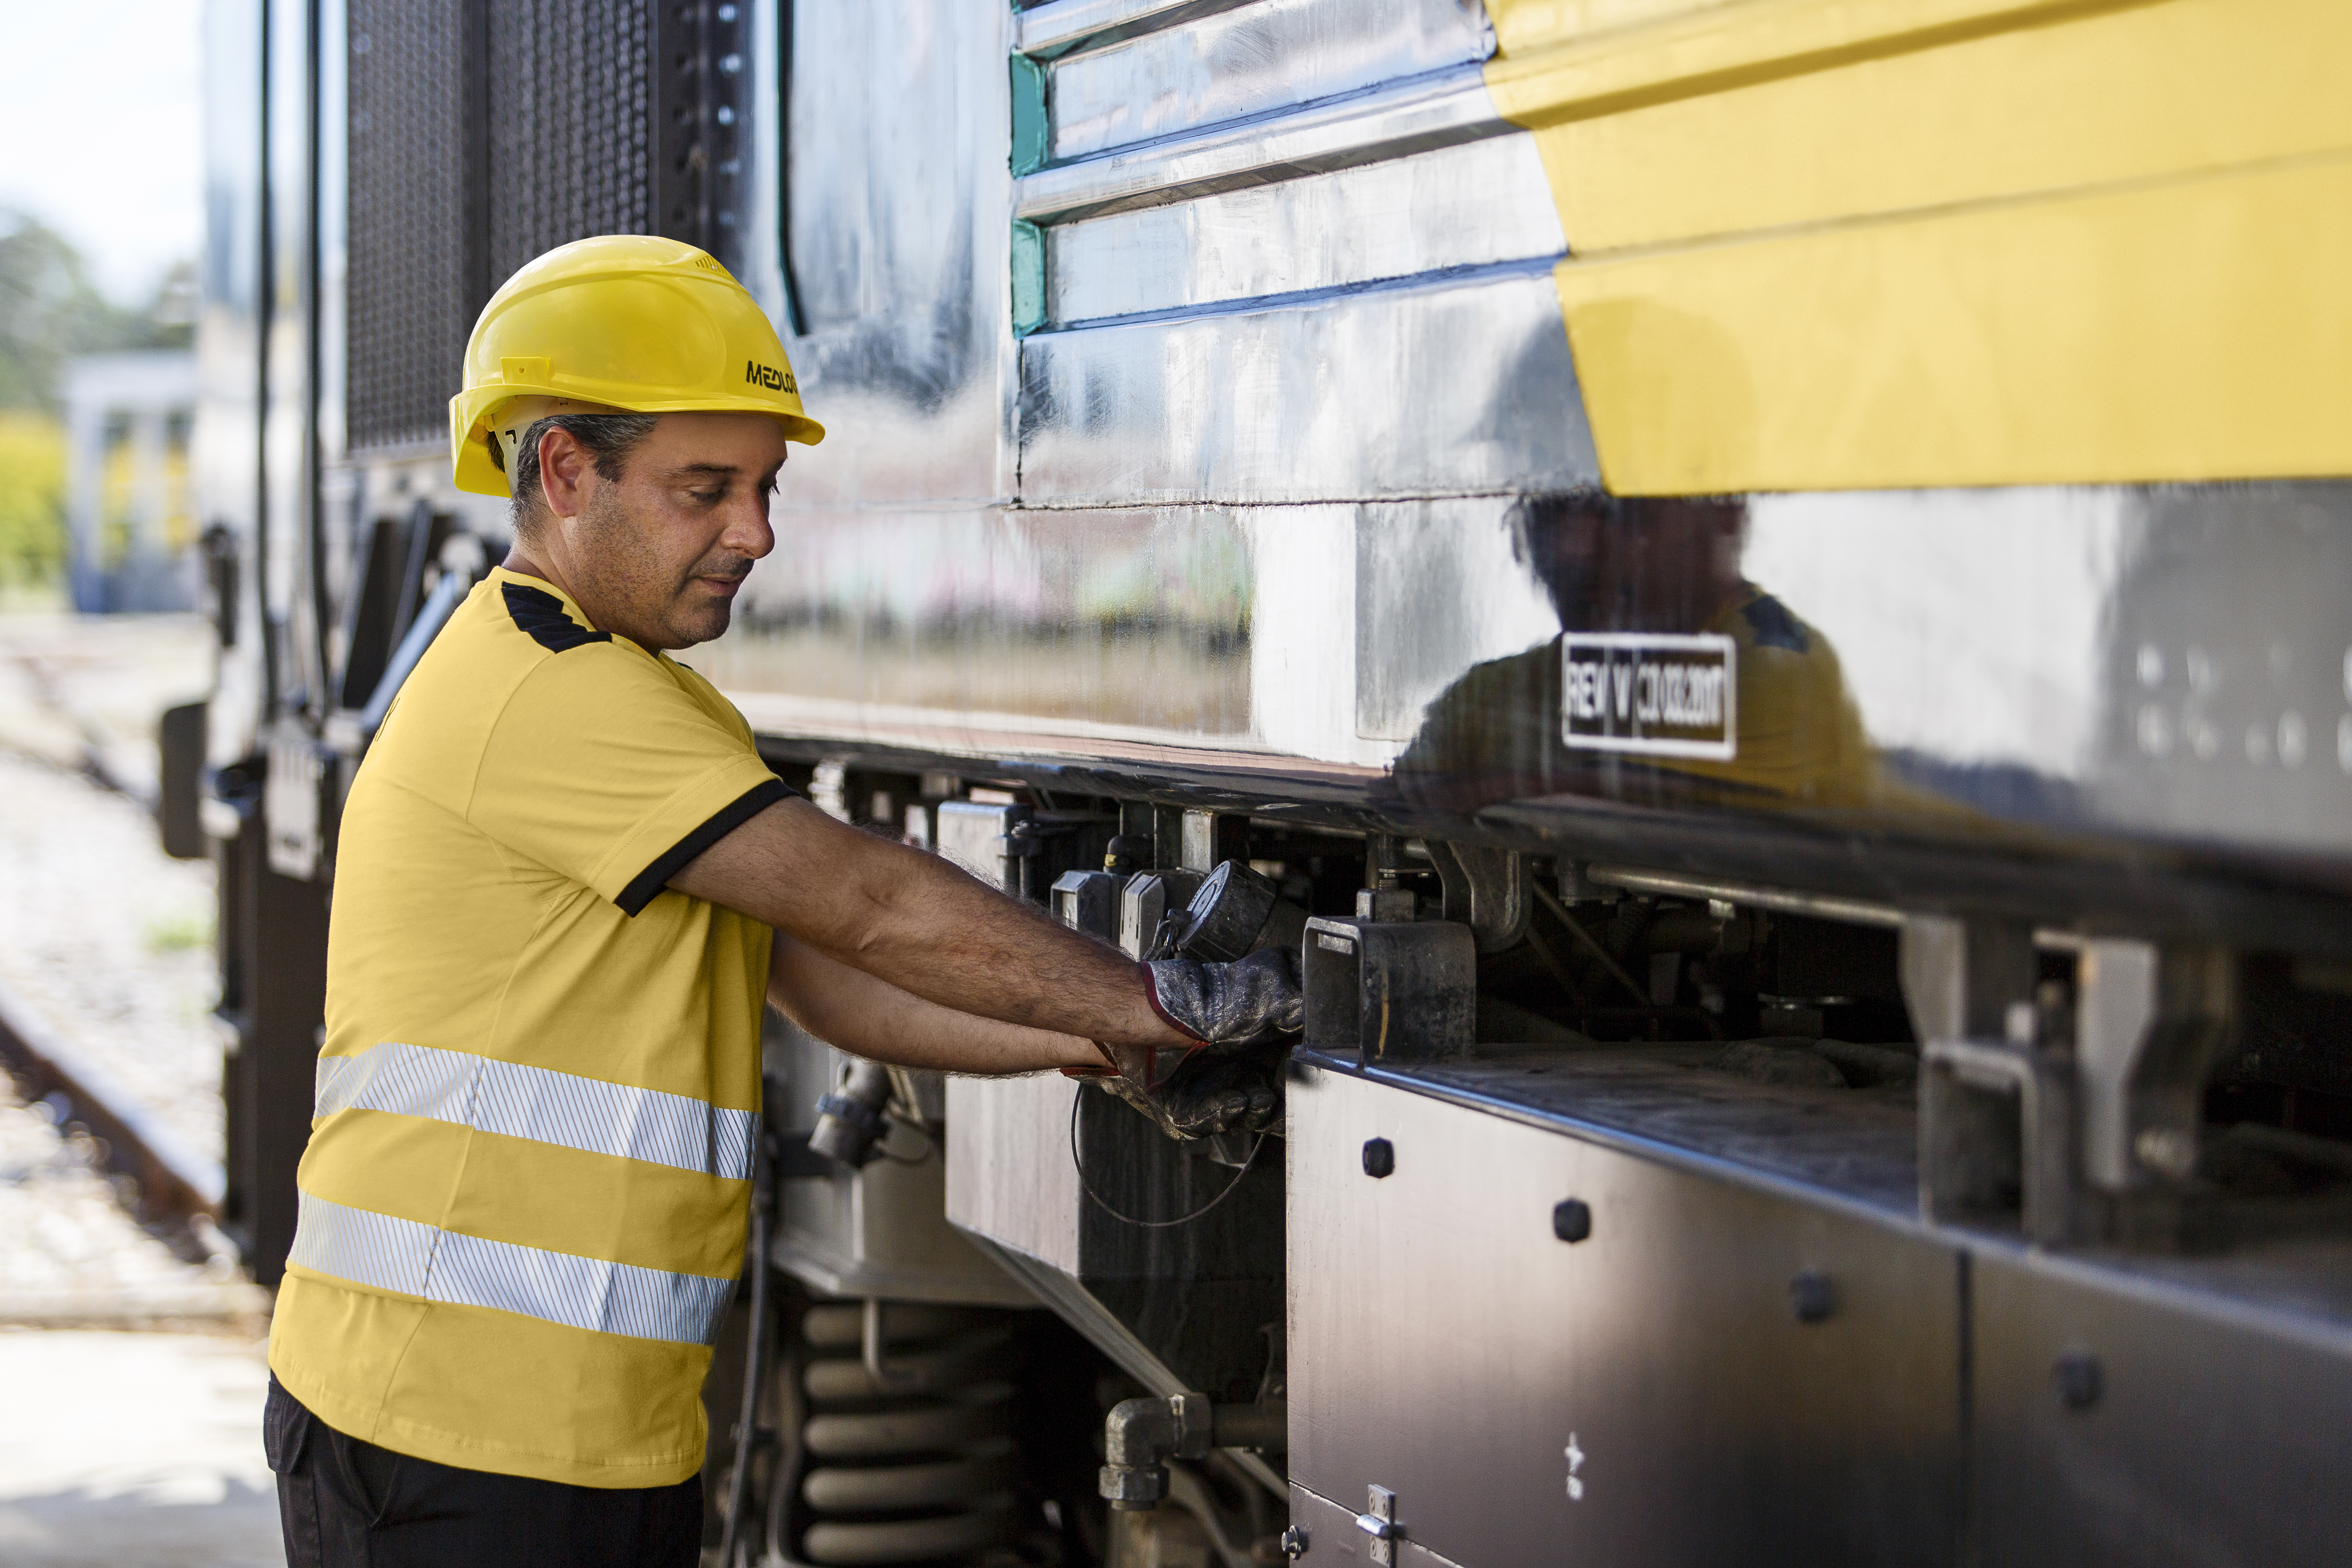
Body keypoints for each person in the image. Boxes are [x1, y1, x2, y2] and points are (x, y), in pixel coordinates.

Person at [262, 235, 1298, 1567]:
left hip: (569, 1429)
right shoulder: (549, 693)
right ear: (566, 469)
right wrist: (1159, 993)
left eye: (762, 486)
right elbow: (867, 901)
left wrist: (1106, 1036)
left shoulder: (641, 697)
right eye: (706, 489)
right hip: (450, 1437)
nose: (753, 532)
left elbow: (826, 976)